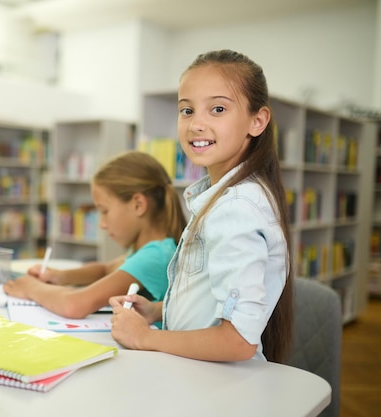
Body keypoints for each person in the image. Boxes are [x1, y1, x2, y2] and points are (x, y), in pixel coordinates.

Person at [109, 49, 294, 364]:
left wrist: (145, 337)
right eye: (187, 110)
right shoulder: (221, 197)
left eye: (218, 109)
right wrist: (157, 310)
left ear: (257, 120)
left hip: (217, 388)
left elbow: (238, 341)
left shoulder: (236, 208)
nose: (196, 124)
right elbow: (211, 300)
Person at [3, 150, 187, 319]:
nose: (102, 224)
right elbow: (106, 269)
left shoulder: (156, 255)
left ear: (138, 205)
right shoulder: (154, 248)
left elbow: (74, 305)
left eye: (104, 211)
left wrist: (31, 287)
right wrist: (59, 277)